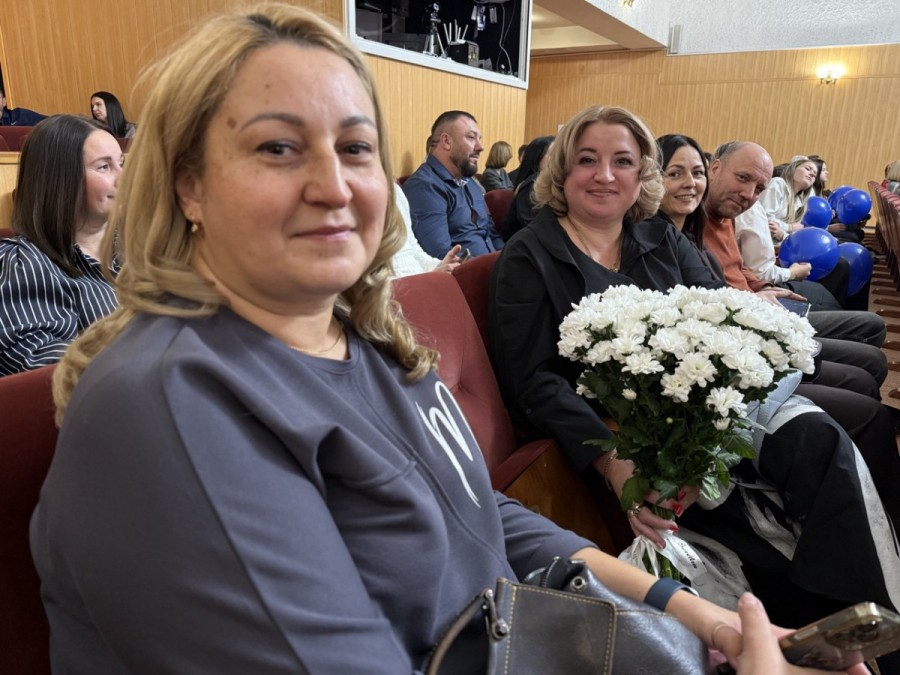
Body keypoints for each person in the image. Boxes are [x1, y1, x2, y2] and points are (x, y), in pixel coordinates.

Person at [27, 7, 792, 673]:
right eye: (277, 148)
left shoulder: (365, 337)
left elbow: (479, 516)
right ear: (188, 184)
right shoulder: (171, 406)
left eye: (355, 148)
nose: (334, 185)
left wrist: (697, 616)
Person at [488, 106, 900, 665]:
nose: (605, 175)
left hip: (714, 407)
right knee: (780, 487)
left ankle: (864, 634)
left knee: (819, 437)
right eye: (587, 160)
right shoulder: (529, 255)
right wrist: (611, 459)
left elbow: (723, 311)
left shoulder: (660, 236)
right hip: (622, 430)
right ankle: (822, 634)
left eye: (622, 161)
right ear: (562, 170)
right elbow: (532, 381)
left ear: (641, 175)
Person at [657, 133, 900, 531]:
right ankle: (869, 520)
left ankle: (862, 500)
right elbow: (710, 307)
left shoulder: (697, 225)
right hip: (735, 361)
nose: (690, 184)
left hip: (752, 331)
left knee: (864, 363)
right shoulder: (667, 235)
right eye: (675, 173)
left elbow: (730, 281)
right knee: (865, 389)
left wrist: (761, 291)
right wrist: (761, 301)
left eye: (695, 174)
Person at [701, 141, 887, 386]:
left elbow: (738, 266)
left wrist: (763, 287)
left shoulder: (726, 214)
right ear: (714, 170)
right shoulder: (689, 223)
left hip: (760, 298)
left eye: (759, 188)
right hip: (748, 318)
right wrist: (773, 283)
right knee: (865, 362)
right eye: (742, 178)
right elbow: (712, 292)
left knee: (869, 321)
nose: (748, 194)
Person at [0, 115, 121, 376]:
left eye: (121, 163)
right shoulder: (25, 265)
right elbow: (46, 373)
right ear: (61, 180)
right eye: (104, 167)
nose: (124, 178)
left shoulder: (137, 248)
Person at [734, 155, 862, 311]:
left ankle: (842, 312)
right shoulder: (778, 184)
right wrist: (788, 229)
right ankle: (835, 313)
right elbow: (767, 221)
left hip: (785, 246)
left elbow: (798, 230)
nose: (812, 174)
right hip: (775, 253)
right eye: (807, 169)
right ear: (793, 168)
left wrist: (785, 232)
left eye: (814, 173)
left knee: (840, 264)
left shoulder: (802, 199)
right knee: (839, 267)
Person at [402, 110, 503, 259]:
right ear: (446, 142)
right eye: (471, 137)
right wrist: (492, 268)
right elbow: (442, 256)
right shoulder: (424, 186)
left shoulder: (470, 183)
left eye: (479, 139)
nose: (480, 147)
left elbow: (492, 234)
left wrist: (508, 259)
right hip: (469, 272)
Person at [391, 182, 462, 276]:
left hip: (420, 277)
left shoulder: (396, 190)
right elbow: (375, 278)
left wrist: (440, 265)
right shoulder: (372, 192)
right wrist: (428, 278)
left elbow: (415, 250)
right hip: (399, 283)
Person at [501, 134, 554, 240]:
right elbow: (533, 228)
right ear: (537, 158)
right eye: (554, 154)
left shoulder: (555, 182)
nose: (560, 159)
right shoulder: (532, 185)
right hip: (522, 244)